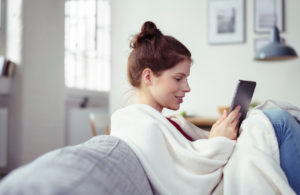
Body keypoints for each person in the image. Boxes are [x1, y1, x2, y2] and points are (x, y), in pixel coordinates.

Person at [110, 21, 299, 195]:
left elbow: (190, 159)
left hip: (224, 167)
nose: (187, 87)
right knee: (277, 120)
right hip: (220, 182)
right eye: (178, 78)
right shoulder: (141, 126)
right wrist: (218, 141)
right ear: (148, 77)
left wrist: (216, 135)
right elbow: (186, 183)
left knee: (274, 119)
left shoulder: (156, 121)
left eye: (186, 78)